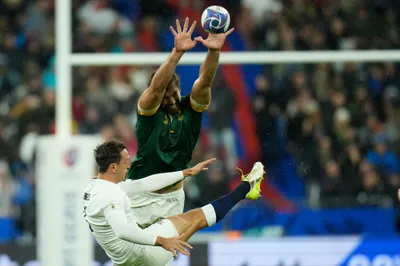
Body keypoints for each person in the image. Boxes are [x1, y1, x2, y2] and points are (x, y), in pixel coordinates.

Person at [126, 17, 235, 228]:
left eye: (173, 91)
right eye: (164, 94)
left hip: (174, 197)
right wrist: (177, 53)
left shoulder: (191, 110)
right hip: (140, 194)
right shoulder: (148, 115)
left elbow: (204, 82)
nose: (170, 97)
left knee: (163, 258)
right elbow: (157, 89)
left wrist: (213, 52)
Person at [83, 140, 264, 266]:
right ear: (113, 167)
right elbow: (122, 230)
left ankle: (176, 242)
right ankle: (248, 187)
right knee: (195, 218)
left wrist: (185, 173)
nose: (128, 167)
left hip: (124, 260)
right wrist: (163, 241)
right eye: (125, 163)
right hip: (142, 254)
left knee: (186, 224)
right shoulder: (109, 193)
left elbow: (143, 184)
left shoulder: (95, 187)